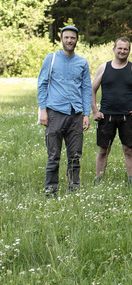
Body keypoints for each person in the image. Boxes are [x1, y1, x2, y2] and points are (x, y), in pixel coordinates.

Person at [37, 25, 92, 196]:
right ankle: (50, 190)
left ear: (77, 40)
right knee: (53, 156)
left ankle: (73, 189)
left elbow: (86, 89)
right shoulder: (51, 58)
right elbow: (42, 84)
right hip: (55, 113)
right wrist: (43, 110)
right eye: (66, 37)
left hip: (76, 115)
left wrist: (86, 114)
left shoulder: (82, 62)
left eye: (73, 38)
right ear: (61, 39)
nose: (69, 40)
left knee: (75, 156)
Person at [91, 37, 132, 184]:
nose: (122, 51)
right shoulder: (104, 68)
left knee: (128, 150)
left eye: (125, 49)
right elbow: (92, 90)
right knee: (103, 150)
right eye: (119, 48)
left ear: (129, 51)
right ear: (114, 49)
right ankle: (99, 179)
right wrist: (95, 111)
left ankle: (131, 181)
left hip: (127, 117)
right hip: (106, 116)